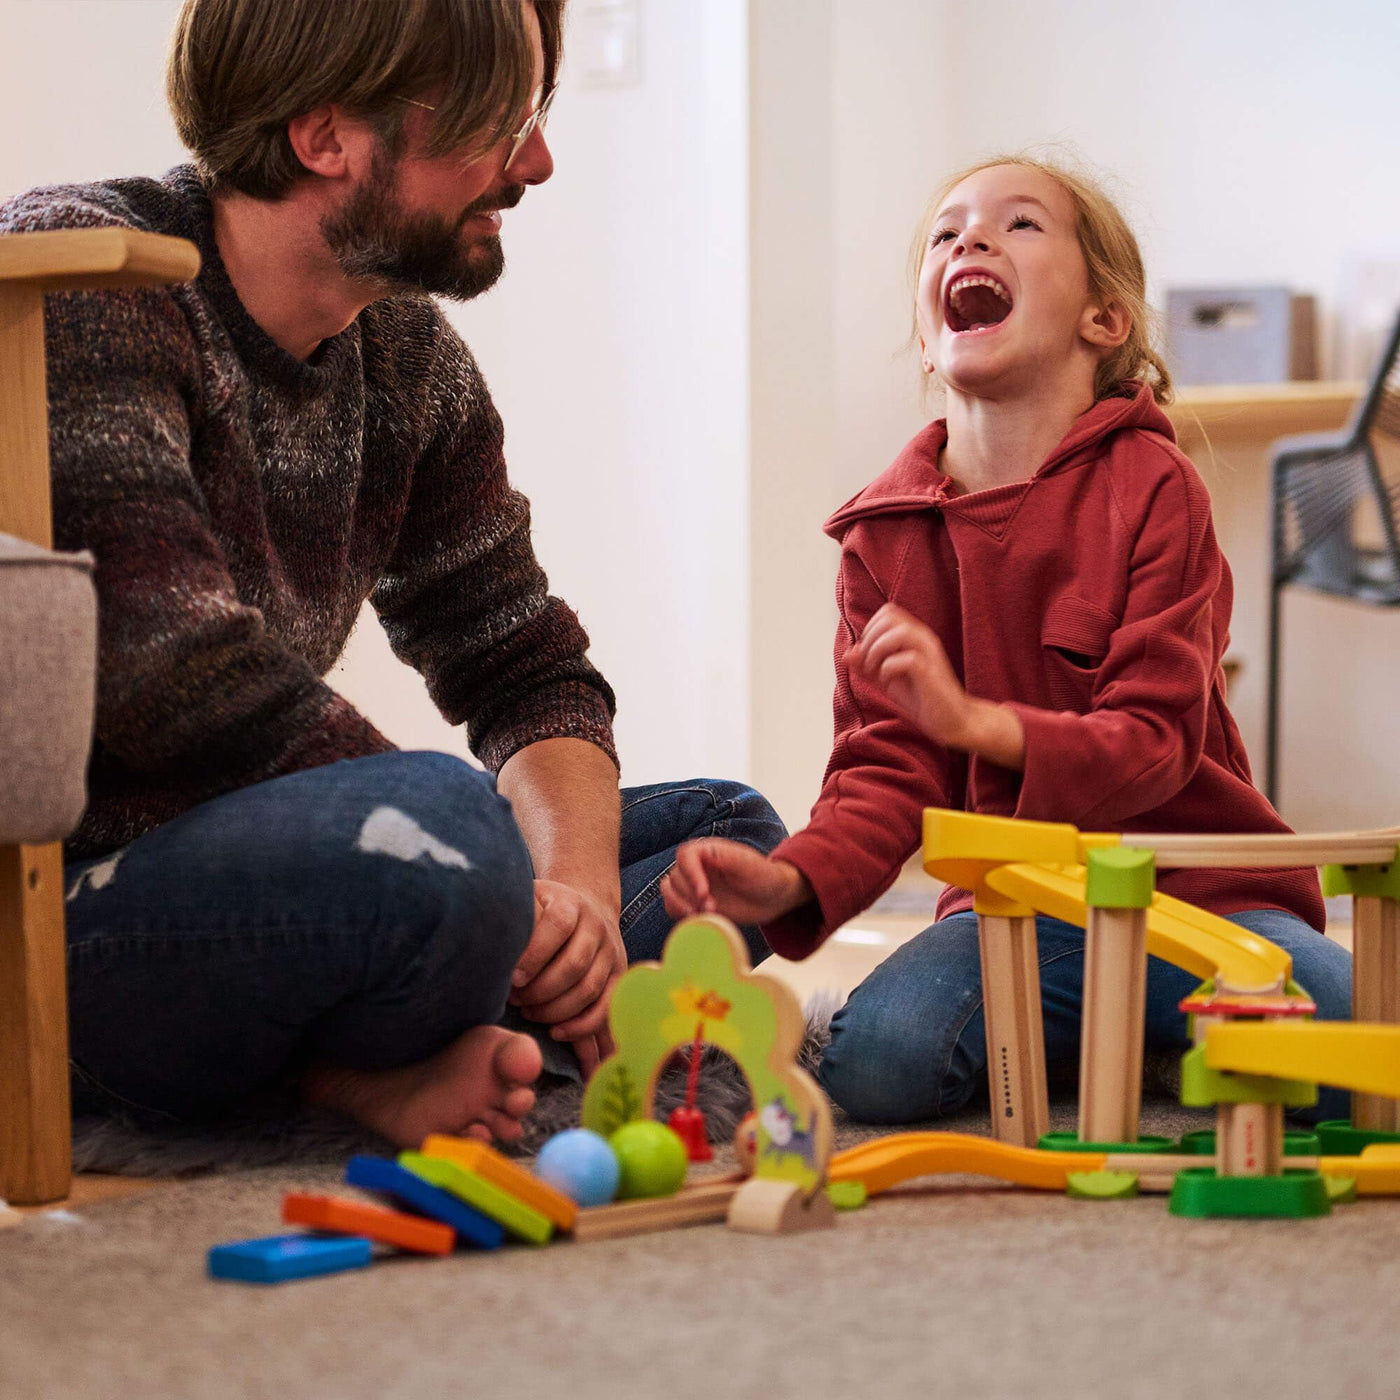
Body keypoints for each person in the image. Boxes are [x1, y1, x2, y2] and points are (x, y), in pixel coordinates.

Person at [0, 0, 784, 1149]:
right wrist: (490, 873)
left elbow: (525, 668)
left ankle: (480, 1015)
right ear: (325, 137)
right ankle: (347, 1077)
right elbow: (174, 676)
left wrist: (568, 897)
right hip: (75, 911)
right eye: (497, 122)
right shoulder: (89, 278)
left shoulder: (406, 355)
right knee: (443, 829)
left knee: (730, 840)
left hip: (311, 876)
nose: (536, 163)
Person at [662, 155, 1351, 1125]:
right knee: (877, 1066)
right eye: (946, 233)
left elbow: (1153, 742)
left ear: (1101, 320)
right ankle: (1128, 1042)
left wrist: (978, 723)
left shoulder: (1155, 486)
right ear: (926, 329)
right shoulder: (881, 534)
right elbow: (881, 771)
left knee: (1358, 1049)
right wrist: (789, 876)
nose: (969, 241)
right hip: (1017, 914)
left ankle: (1141, 1032)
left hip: (1205, 901)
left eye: (1018, 225)